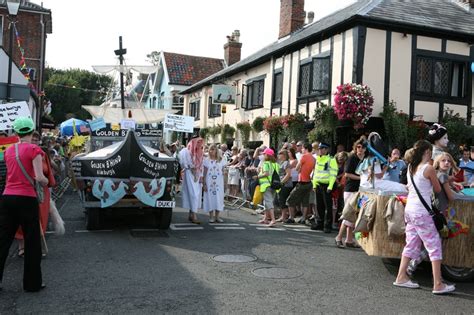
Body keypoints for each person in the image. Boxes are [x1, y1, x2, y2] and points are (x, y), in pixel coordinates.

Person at [393, 140, 455, 295]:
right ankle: (438, 284)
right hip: (422, 212)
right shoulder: (428, 168)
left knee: (411, 244)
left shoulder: (410, 167)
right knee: (434, 246)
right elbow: (437, 188)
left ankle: (401, 277)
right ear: (427, 152)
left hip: (410, 210)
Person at [0, 117, 48, 292]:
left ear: (17, 132)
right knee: (32, 241)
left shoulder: (8, 151)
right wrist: (45, 183)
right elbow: (38, 176)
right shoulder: (34, 149)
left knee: (3, 240)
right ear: (31, 131)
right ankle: (32, 284)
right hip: (26, 198)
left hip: (7, 197)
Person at [16, 132, 56, 258]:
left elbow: (47, 171)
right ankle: (22, 247)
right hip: (23, 189)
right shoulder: (17, 151)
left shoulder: (42, 153)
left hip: (40, 191)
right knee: (22, 219)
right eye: (32, 138)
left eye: (36, 139)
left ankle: (36, 246)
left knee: (40, 218)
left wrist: (49, 183)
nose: (34, 141)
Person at [335, 137, 366, 248]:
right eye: (358, 147)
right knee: (349, 214)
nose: (360, 149)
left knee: (355, 215)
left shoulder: (366, 159)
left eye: (362, 147)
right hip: (350, 190)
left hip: (361, 190)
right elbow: (347, 174)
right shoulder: (352, 158)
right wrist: (361, 178)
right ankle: (339, 237)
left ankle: (349, 239)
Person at [286, 143, 315, 224]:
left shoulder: (304, 156)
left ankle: (291, 217)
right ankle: (303, 218)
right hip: (309, 182)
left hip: (301, 182)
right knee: (305, 201)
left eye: (302, 148)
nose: (301, 150)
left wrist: (299, 170)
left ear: (305, 149)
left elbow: (297, 168)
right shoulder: (313, 158)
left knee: (290, 200)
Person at [312, 142, 338, 233]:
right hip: (318, 185)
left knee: (328, 207)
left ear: (326, 149)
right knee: (319, 206)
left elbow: (333, 174)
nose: (320, 150)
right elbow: (316, 173)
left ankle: (327, 225)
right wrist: (314, 185)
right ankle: (320, 223)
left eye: (322, 149)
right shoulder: (318, 159)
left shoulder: (331, 160)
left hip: (327, 186)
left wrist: (330, 186)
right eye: (319, 149)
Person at [179, 136, 204, 224]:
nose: (199, 144)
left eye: (200, 143)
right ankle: (194, 215)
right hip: (189, 174)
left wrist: (200, 176)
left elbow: (201, 165)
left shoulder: (200, 152)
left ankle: (191, 213)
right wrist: (192, 168)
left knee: (196, 195)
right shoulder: (185, 151)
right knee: (193, 194)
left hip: (197, 175)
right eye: (197, 142)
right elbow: (183, 163)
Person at [254, 148, 279, 227]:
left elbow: (266, 174)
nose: (263, 155)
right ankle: (265, 218)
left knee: (269, 203)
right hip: (274, 185)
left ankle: (273, 220)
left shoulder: (266, 163)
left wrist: (258, 176)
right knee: (268, 202)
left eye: (264, 154)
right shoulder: (276, 164)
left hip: (266, 185)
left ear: (267, 155)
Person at [203, 144, 226, 223]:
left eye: (213, 149)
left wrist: (225, 182)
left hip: (219, 183)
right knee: (210, 198)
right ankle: (211, 217)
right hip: (209, 183)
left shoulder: (221, 160)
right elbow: (205, 173)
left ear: (216, 150)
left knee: (218, 199)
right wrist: (204, 184)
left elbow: (223, 171)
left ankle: (217, 216)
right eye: (210, 149)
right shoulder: (206, 160)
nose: (211, 151)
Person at [275, 150, 293, 222]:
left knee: (283, 200)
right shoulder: (281, 163)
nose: (278, 155)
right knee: (280, 200)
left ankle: (284, 216)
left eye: (280, 154)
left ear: (284, 155)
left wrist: (281, 183)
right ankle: (283, 216)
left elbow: (288, 174)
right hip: (281, 184)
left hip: (285, 185)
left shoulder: (286, 163)